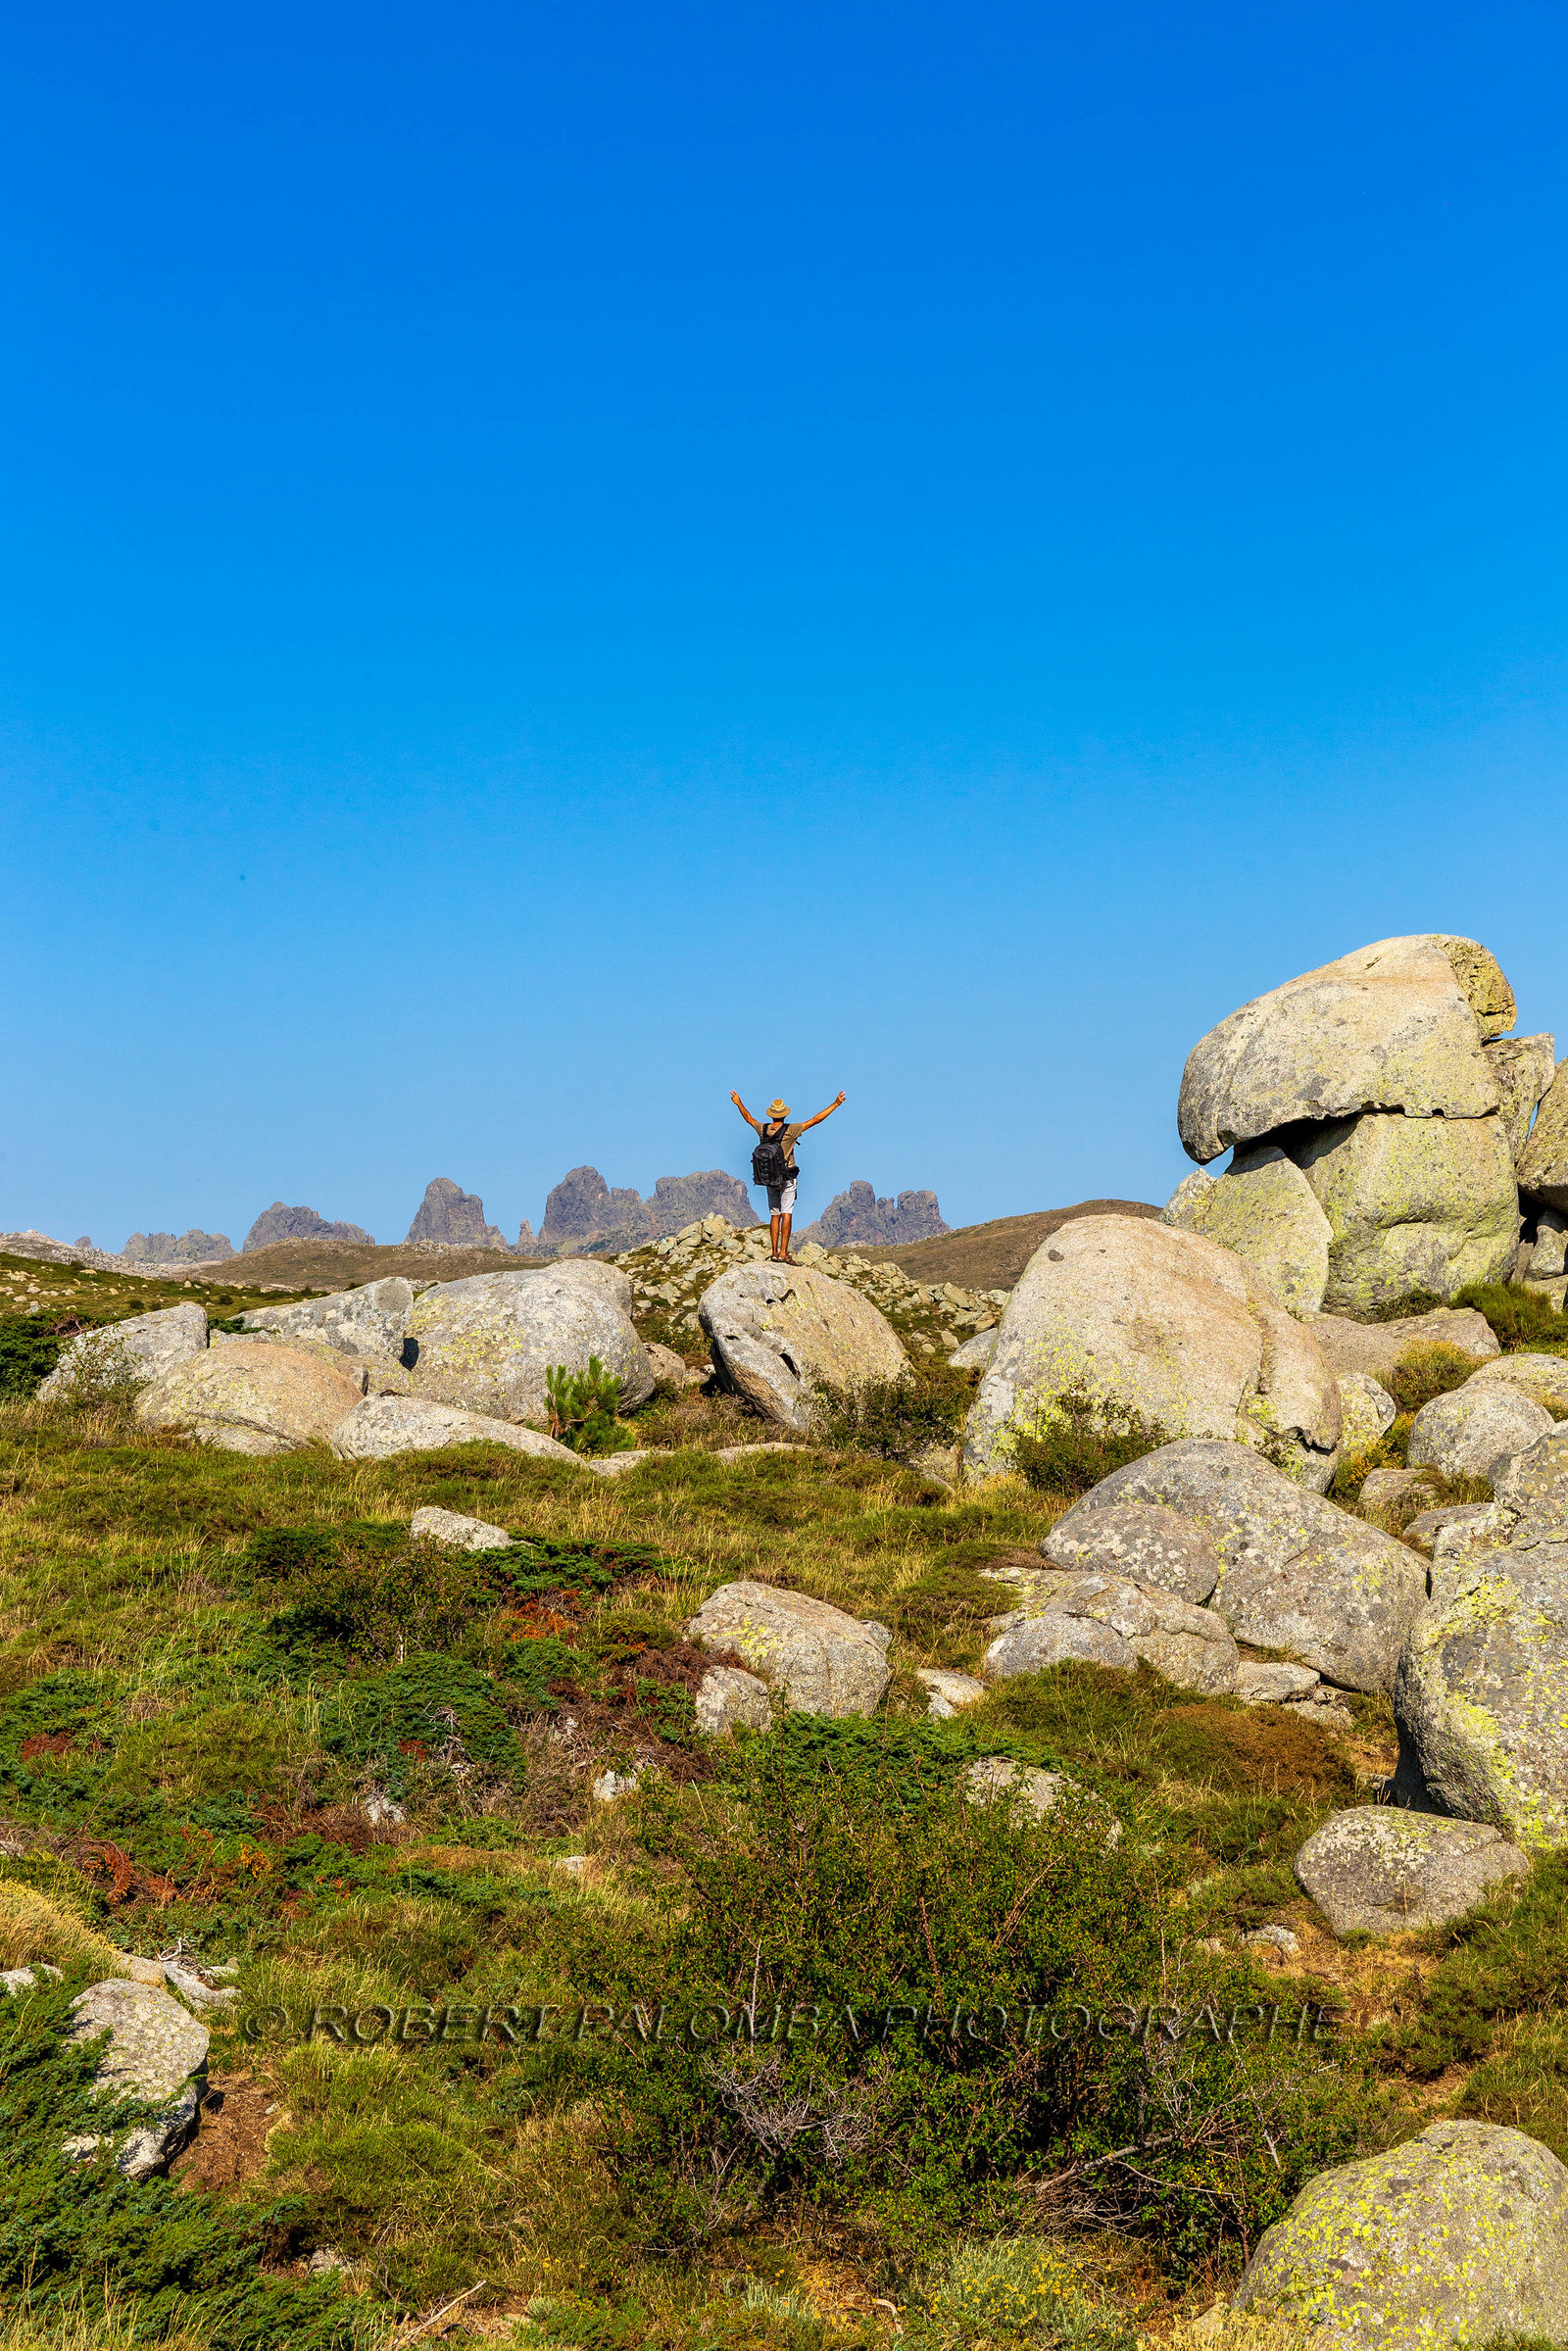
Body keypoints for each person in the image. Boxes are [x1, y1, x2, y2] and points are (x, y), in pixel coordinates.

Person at [730, 1089, 846, 1262]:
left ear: (771, 1115)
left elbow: (748, 1118)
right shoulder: (792, 1130)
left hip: (769, 1178)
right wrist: (835, 1104)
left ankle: (775, 1253)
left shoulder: (763, 1129)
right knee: (787, 1213)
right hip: (787, 1177)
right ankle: (784, 1253)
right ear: (784, 1114)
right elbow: (816, 1119)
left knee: (774, 1214)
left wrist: (739, 1102)